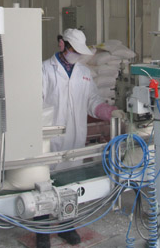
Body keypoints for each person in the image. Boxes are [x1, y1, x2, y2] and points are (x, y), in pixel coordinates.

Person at [38, 28, 125, 248]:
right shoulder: (44, 70)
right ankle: (42, 231)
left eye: (79, 52)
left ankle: (67, 226)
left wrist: (109, 111)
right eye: (74, 51)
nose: (76, 55)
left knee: (70, 184)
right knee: (44, 184)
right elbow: (36, 104)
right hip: (50, 139)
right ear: (62, 45)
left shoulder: (84, 73)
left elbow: (92, 101)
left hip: (76, 138)